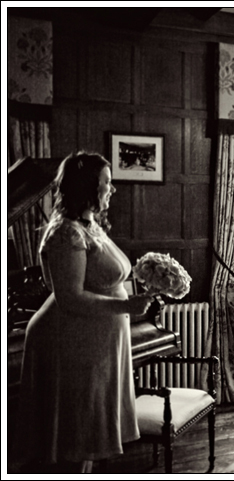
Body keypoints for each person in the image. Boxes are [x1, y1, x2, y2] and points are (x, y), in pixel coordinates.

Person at [13, 151, 154, 473]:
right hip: (72, 340)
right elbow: (71, 298)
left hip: (97, 341)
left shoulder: (90, 225)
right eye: (106, 182)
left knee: (88, 431)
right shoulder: (66, 232)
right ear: (87, 186)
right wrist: (125, 306)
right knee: (77, 432)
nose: (112, 189)